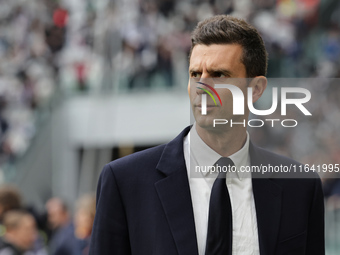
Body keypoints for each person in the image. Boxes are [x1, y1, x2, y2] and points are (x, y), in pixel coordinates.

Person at [89, 15, 324, 255]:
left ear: (255, 89)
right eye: (194, 75)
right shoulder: (126, 182)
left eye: (218, 75)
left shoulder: (300, 186)